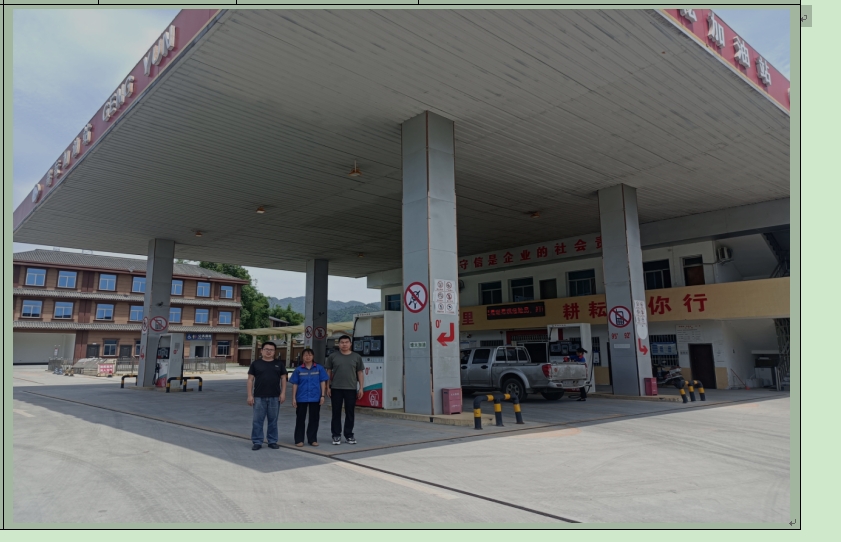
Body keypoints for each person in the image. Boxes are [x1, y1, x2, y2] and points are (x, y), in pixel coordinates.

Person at [324, 335, 364, 445]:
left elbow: (360, 372)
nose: (344, 344)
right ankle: (336, 435)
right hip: (336, 388)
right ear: (338, 344)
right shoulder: (332, 356)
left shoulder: (356, 357)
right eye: (342, 342)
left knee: (350, 413)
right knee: (336, 412)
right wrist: (328, 387)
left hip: (351, 388)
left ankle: (349, 435)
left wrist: (361, 387)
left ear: (350, 344)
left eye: (346, 342)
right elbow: (328, 372)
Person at [247, 342, 287, 450]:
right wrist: (250, 395)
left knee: (273, 420)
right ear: (261, 351)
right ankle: (257, 441)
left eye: (271, 350)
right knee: (257, 421)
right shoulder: (256, 364)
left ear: (274, 352)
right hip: (259, 397)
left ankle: (272, 441)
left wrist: (283, 393)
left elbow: (283, 378)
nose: (269, 351)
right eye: (266, 349)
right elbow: (250, 380)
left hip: (275, 397)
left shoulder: (279, 364)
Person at [289, 348, 329, 447]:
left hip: (315, 397)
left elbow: (322, 382)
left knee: (314, 419)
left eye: (310, 355)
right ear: (302, 357)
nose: (308, 357)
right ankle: (299, 440)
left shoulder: (319, 368)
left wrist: (322, 395)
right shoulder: (298, 370)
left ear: (313, 356)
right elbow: (295, 384)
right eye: (305, 355)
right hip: (301, 397)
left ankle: (312, 439)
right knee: (300, 419)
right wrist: (293, 398)